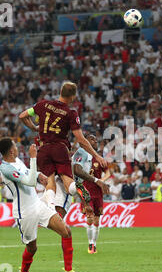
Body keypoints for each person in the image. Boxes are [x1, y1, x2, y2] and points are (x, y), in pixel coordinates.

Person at [0, 137, 87, 272]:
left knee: (66, 231)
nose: (18, 147)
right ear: (11, 151)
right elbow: (29, 182)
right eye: (15, 146)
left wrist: (40, 175)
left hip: (37, 205)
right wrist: (33, 158)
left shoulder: (17, 161)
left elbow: (29, 174)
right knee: (32, 247)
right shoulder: (5, 169)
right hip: (24, 213)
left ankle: (69, 270)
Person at [18, 81, 107, 210]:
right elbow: (80, 139)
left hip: (43, 149)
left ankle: (51, 207)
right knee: (68, 183)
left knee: (50, 183)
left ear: (60, 92)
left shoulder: (43, 104)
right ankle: (77, 188)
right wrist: (97, 156)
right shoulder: (71, 113)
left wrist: (34, 128)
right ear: (72, 97)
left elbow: (22, 116)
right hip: (60, 149)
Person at [71, 134, 110, 254]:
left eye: (96, 139)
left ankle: (95, 244)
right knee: (89, 218)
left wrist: (101, 182)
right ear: (86, 142)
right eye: (92, 139)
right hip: (86, 191)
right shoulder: (82, 155)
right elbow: (76, 171)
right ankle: (90, 243)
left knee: (97, 221)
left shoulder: (100, 158)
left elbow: (108, 173)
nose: (95, 141)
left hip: (98, 192)